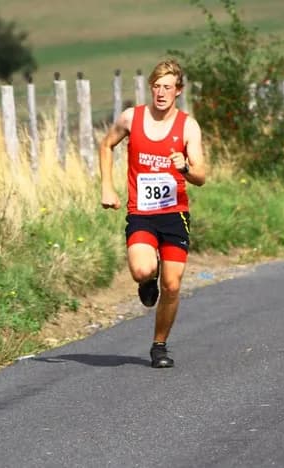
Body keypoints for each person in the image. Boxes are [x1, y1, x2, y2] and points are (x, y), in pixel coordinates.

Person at [98, 59, 208, 369]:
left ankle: (159, 345)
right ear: (151, 88)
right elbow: (106, 145)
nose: (161, 93)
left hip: (175, 214)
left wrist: (184, 166)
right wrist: (107, 187)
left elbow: (201, 176)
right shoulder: (132, 118)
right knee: (142, 271)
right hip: (142, 213)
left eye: (167, 87)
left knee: (172, 286)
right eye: (157, 86)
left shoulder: (188, 125)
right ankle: (149, 279)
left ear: (178, 91)